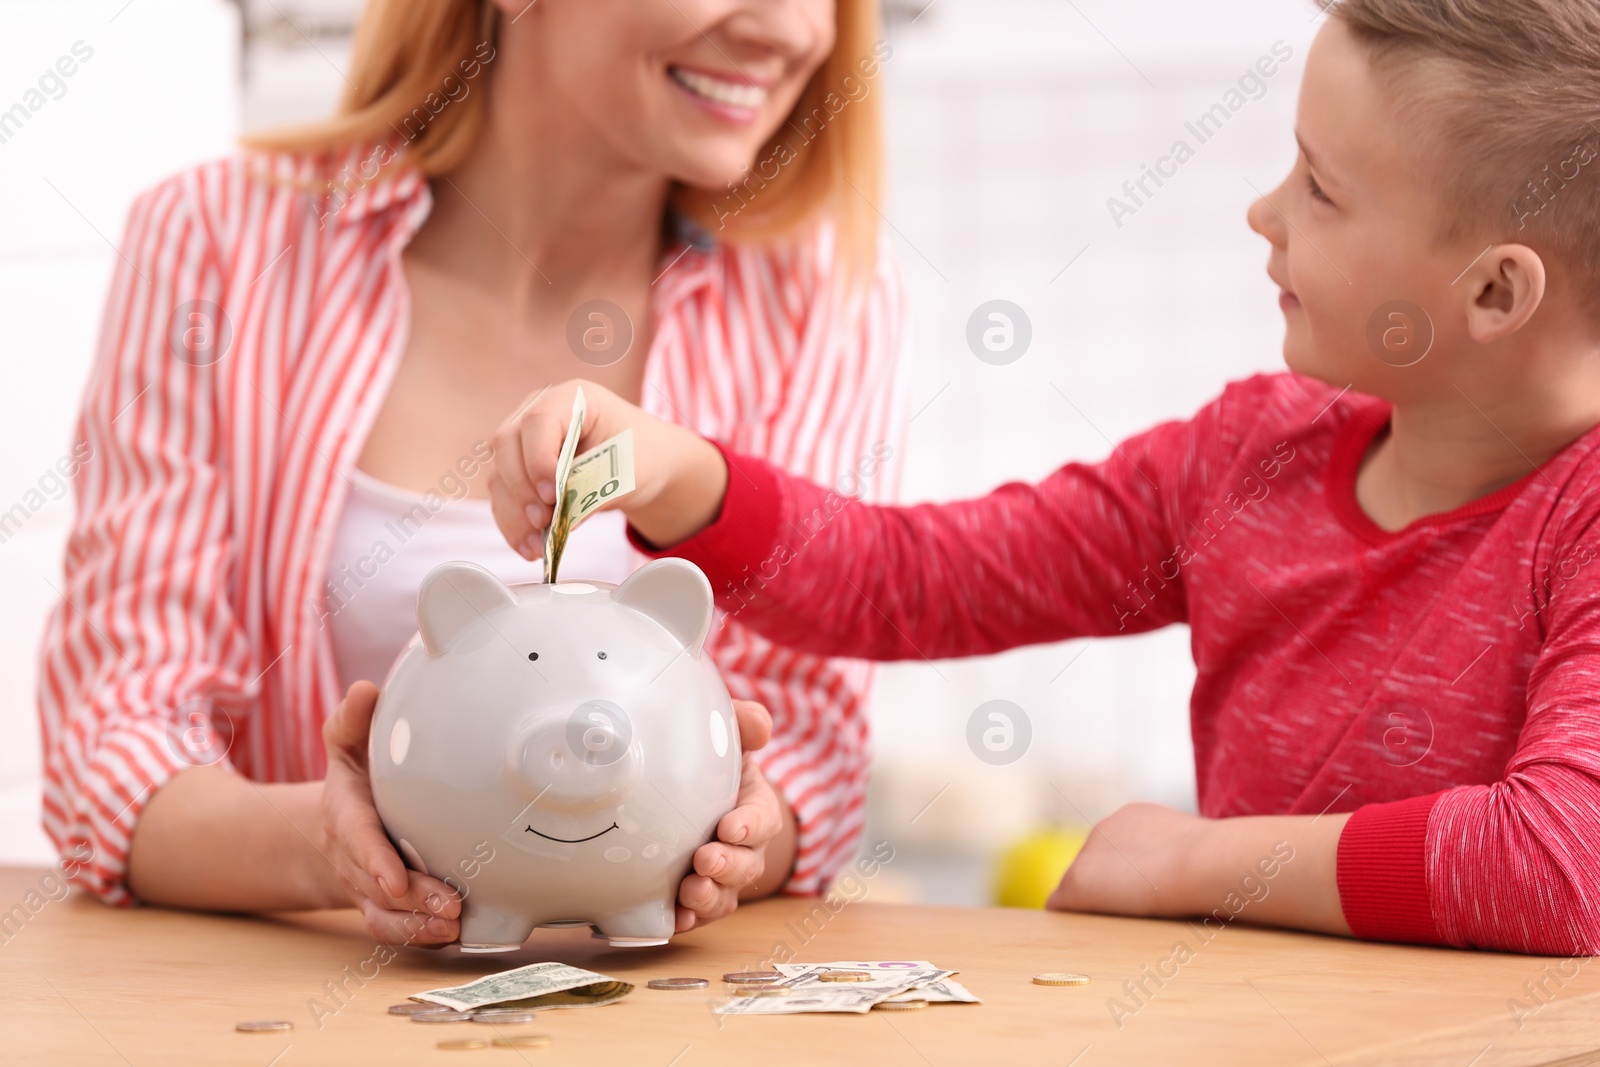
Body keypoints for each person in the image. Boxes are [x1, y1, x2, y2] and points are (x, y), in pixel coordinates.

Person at [493, 0, 1600, 956]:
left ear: (1496, 295)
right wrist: (686, 477)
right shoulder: (1247, 457)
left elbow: (1561, 864)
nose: (1261, 212)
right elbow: (915, 580)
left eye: (1319, 187)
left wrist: (1185, 863)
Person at [38, 0, 907, 944]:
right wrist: (338, 848)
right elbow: (110, 752)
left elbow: (811, 755)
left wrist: (734, 835)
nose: (793, 30)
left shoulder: (819, 292)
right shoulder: (218, 243)